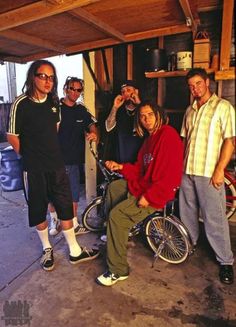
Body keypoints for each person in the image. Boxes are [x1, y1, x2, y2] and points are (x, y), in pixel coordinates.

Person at [7, 60, 99, 271]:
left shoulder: (53, 103)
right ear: (33, 77)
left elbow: (54, 129)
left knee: (65, 206)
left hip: (57, 165)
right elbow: (12, 136)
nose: (48, 81)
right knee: (39, 209)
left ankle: (75, 251)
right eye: (43, 76)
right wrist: (29, 156)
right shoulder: (20, 103)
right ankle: (47, 248)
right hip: (33, 168)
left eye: (51, 77)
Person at [96, 100, 183, 286]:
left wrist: (150, 197)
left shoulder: (168, 135)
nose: (146, 119)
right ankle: (118, 235)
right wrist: (120, 167)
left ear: (158, 114)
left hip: (157, 193)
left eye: (150, 114)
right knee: (115, 187)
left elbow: (171, 176)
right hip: (143, 185)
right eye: (142, 116)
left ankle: (117, 270)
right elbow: (139, 170)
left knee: (117, 217)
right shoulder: (149, 140)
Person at [179, 68, 235, 285]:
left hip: (209, 172)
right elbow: (185, 141)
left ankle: (225, 261)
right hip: (188, 170)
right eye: (191, 86)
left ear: (207, 82)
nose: (195, 89)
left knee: (215, 217)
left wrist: (220, 169)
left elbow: (230, 140)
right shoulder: (190, 110)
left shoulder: (223, 107)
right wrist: (180, 168)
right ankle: (189, 244)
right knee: (187, 212)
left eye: (198, 84)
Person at [48, 76, 98, 236]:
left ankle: (74, 223)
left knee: (74, 194)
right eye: (72, 88)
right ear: (65, 89)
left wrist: (93, 133)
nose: (75, 92)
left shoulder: (81, 110)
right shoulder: (55, 107)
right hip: (55, 160)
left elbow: (91, 124)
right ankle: (54, 219)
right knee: (53, 193)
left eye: (78, 90)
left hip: (74, 160)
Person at [105, 80, 143, 163]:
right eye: (123, 92)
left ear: (136, 91)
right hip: (122, 158)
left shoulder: (143, 108)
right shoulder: (119, 110)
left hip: (139, 158)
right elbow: (108, 127)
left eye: (128, 90)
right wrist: (115, 107)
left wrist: (138, 103)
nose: (125, 93)